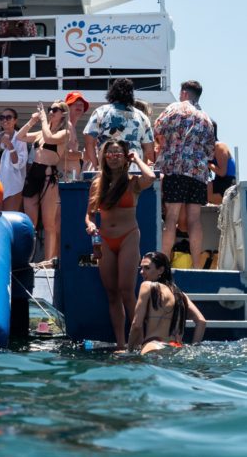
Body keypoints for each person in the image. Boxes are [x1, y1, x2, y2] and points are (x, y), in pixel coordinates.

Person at [85, 140, 156, 349]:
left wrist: (137, 159)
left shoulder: (133, 182)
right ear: (104, 157)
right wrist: (90, 226)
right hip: (105, 239)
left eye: (118, 153)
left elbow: (151, 177)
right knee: (112, 293)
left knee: (126, 289)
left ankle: (139, 341)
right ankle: (120, 343)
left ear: (125, 157)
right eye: (110, 153)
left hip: (128, 236)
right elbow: (89, 215)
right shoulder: (97, 183)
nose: (114, 156)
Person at [154, 80, 215, 267]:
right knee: (194, 219)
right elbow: (210, 151)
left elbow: (157, 128)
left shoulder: (175, 108)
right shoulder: (206, 118)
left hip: (176, 168)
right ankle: (196, 266)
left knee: (172, 216)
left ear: (184, 93)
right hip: (198, 172)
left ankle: (163, 264)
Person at [16, 101, 69, 261]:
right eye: (49, 109)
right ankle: (28, 259)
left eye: (55, 109)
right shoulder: (41, 132)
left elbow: (50, 138)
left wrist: (44, 118)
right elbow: (20, 136)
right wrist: (33, 121)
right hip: (34, 175)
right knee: (30, 223)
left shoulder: (64, 133)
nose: (51, 111)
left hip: (48, 177)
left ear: (63, 113)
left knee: (49, 223)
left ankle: (48, 260)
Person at [128, 251, 206, 354]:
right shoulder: (180, 294)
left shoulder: (147, 286)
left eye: (146, 268)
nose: (141, 272)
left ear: (161, 270)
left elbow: (136, 325)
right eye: (141, 268)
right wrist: (194, 348)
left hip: (154, 345)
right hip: (177, 348)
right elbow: (201, 321)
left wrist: (129, 350)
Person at [83, 78, 154, 168]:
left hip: (107, 169)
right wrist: (140, 169)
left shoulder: (101, 111)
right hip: (133, 170)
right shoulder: (142, 116)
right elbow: (149, 150)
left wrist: (96, 165)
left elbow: (89, 142)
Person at [0, 108, 28, 211]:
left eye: (8, 117)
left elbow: (19, 164)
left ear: (15, 120)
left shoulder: (21, 138)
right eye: (2, 118)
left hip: (13, 185)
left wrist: (10, 145)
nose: (5, 120)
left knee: (9, 218)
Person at [208, 121, 236, 205]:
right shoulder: (210, 149)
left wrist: (206, 164)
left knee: (201, 188)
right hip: (219, 181)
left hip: (227, 183)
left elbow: (222, 173)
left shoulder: (219, 146)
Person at [64, 91, 89, 178]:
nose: (79, 106)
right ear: (67, 108)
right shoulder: (65, 125)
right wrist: (83, 155)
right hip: (62, 179)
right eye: (75, 104)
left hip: (69, 179)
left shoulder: (71, 127)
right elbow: (63, 153)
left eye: (81, 105)